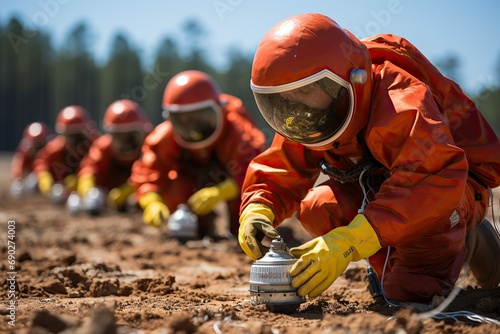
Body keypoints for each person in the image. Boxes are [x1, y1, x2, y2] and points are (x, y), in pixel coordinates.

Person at [238, 13, 500, 303]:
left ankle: (468, 238)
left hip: (447, 191)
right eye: (285, 100)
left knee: (411, 294)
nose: (297, 109)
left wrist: (349, 241)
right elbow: (280, 168)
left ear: (348, 82)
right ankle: (398, 269)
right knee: (318, 207)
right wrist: (257, 209)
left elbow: (430, 181)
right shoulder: (314, 114)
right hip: (383, 191)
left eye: (307, 91)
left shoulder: (401, 101)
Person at [130, 70, 266, 238]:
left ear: (219, 110)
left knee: (246, 210)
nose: (194, 128)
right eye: (184, 120)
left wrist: (223, 191)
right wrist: (152, 202)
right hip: (191, 181)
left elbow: (255, 169)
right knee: (174, 190)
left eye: (201, 118)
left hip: (231, 180)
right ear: (171, 120)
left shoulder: (238, 130)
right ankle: (199, 227)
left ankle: (243, 230)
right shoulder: (165, 136)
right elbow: (148, 172)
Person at [76, 99, 153, 211]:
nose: (125, 142)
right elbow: (89, 169)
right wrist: (88, 190)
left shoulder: (151, 147)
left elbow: (155, 174)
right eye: (119, 136)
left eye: (130, 136)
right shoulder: (102, 147)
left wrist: (131, 189)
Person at [34, 105, 100, 201]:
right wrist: (44, 177)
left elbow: (97, 166)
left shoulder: (97, 145)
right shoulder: (56, 147)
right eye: (70, 136)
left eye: (78, 136)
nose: (74, 140)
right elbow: (41, 161)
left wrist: (84, 180)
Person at [10, 122, 53, 196]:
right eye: (35, 147)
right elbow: (18, 166)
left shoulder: (52, 150)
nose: (38, 150)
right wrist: (18, 179)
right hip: (33, 178)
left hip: (51, 178)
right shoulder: (25, 151)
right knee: (22, 186)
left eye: (40, 146)